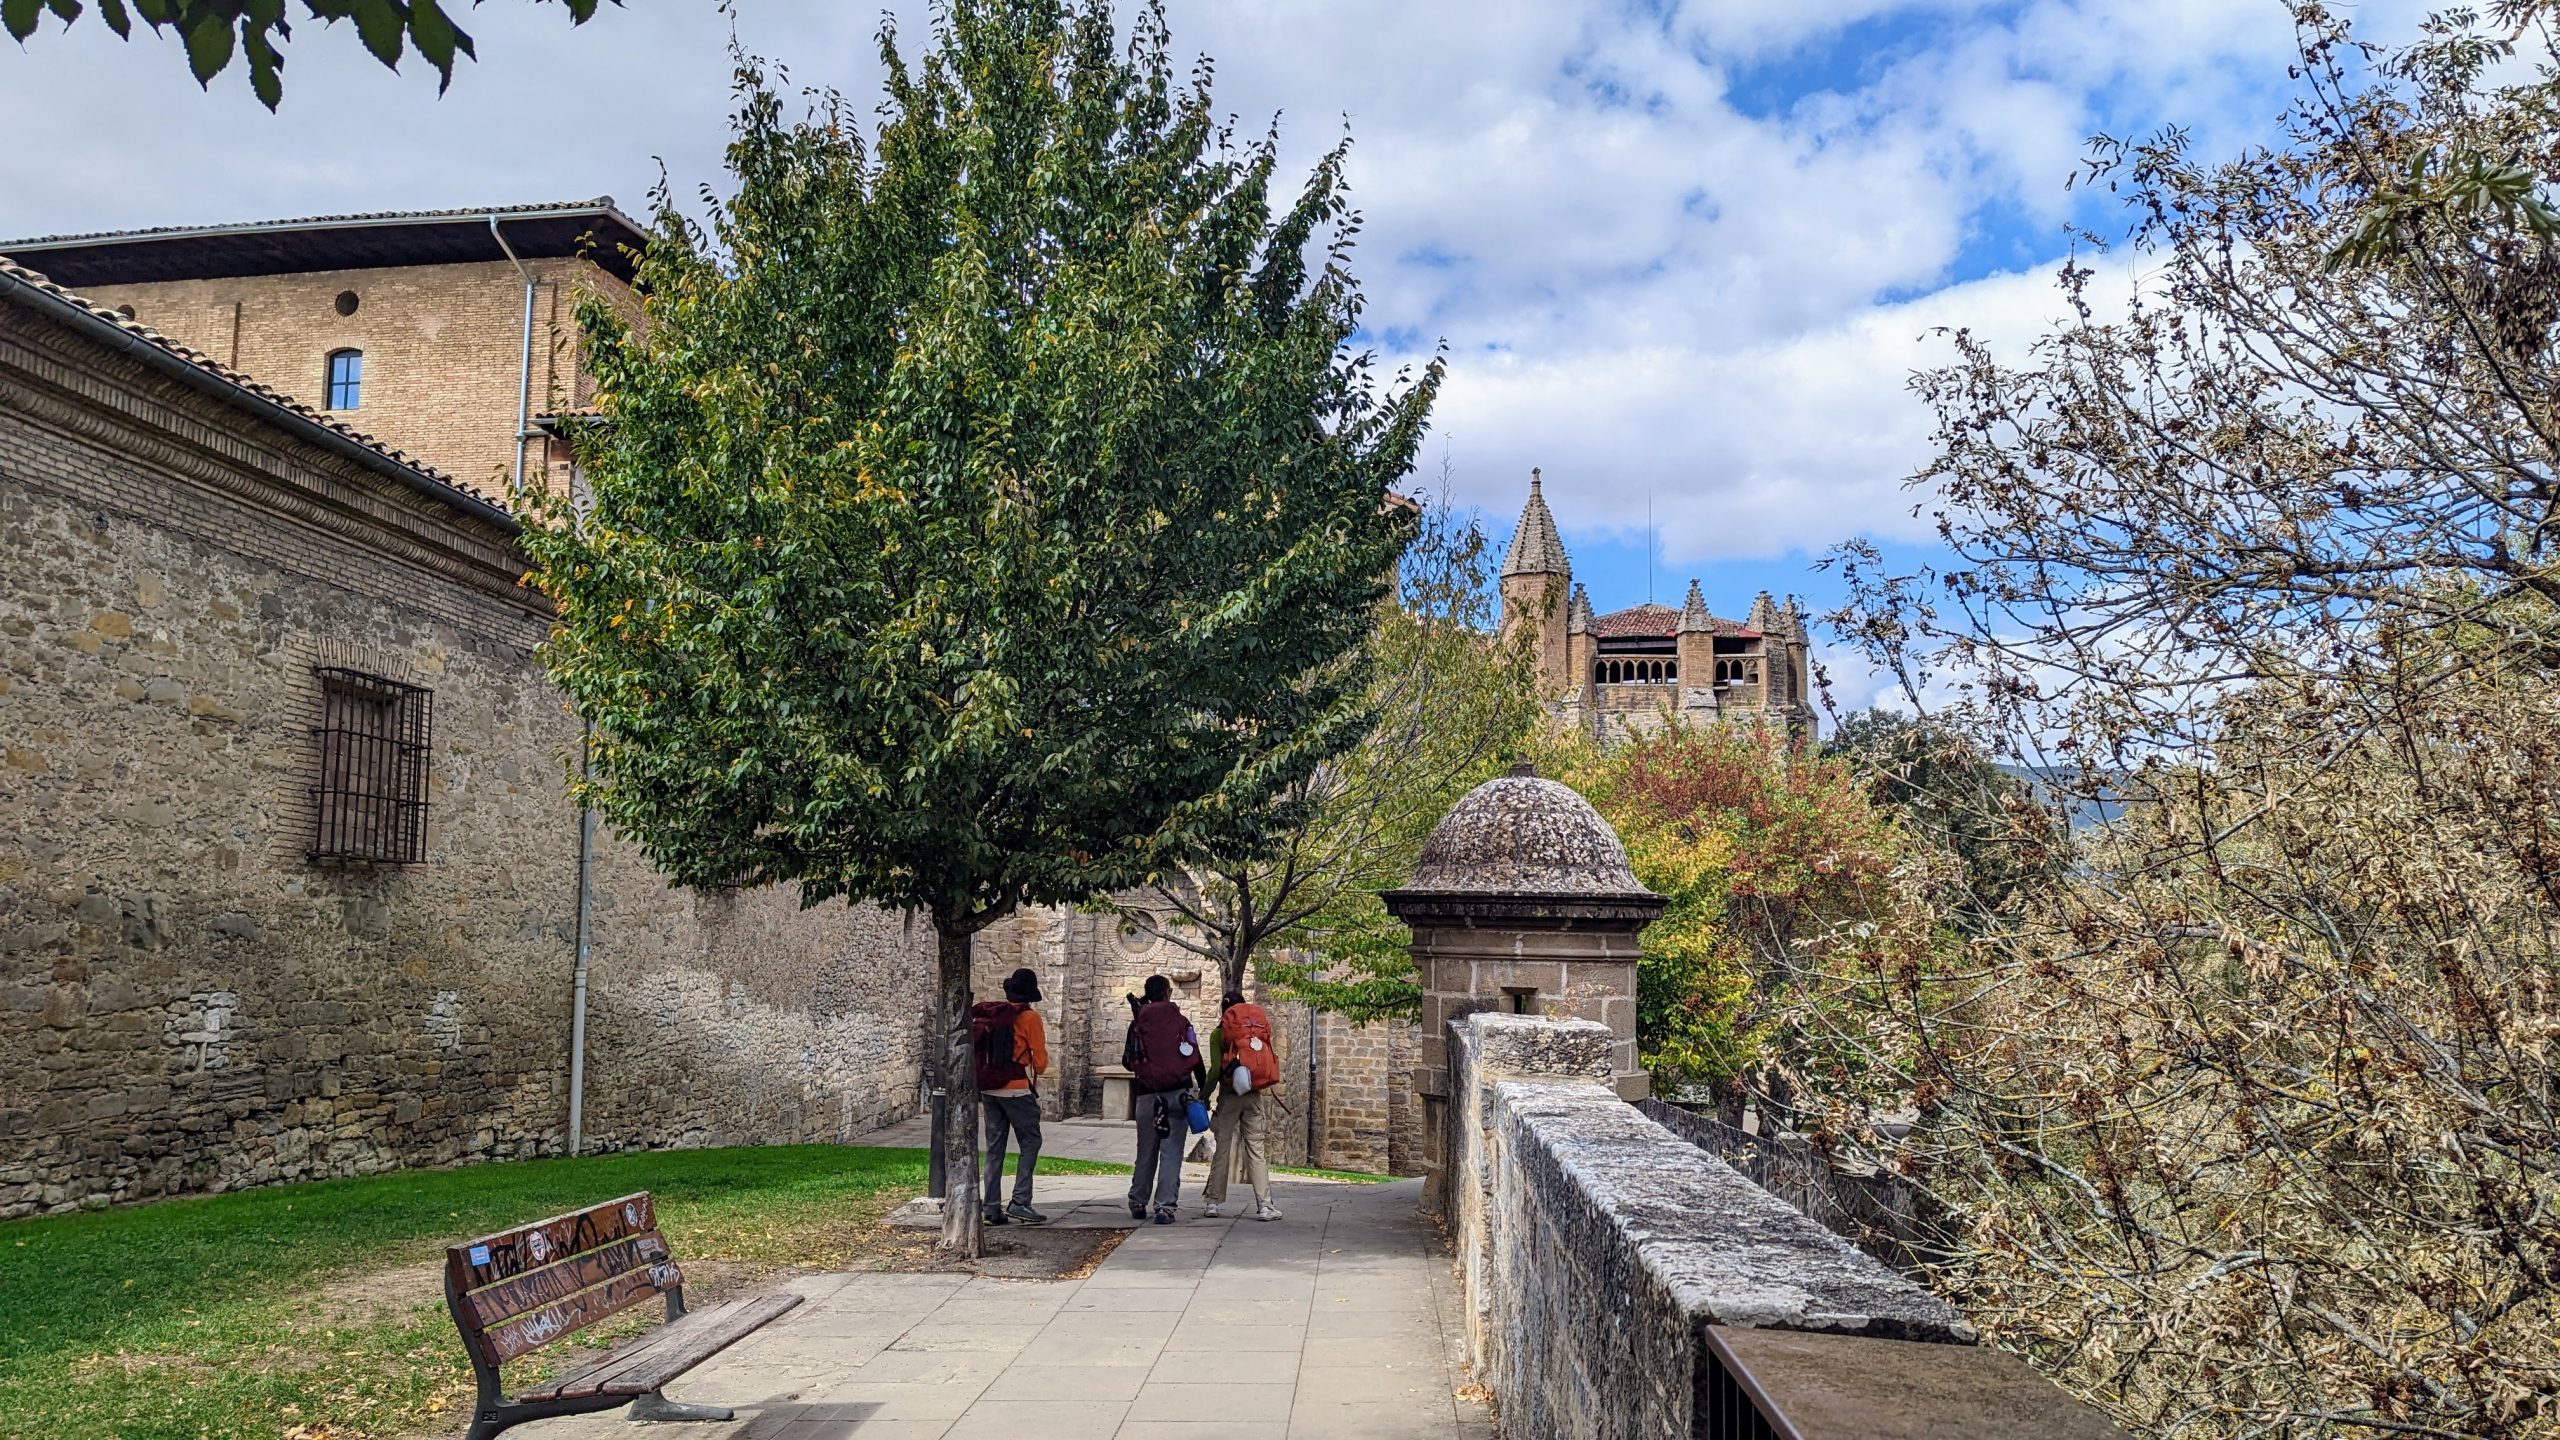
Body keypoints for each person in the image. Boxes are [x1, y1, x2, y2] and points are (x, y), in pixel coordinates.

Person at [1121, 974, 1206, 1224]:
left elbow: (1127, 1061)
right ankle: (1165, 1207)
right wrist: (1203, 1091)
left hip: (1147, 1094)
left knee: (1146, 1150)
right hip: (1178, 1094)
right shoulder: (1181, 1021)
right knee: (1171, 1152)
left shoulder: (1137, 1024)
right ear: (1168, 993)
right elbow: (1195, 1059)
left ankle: (1138, 1200)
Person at [971, 967, 1050, 1226]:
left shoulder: (994, 1016)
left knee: (995, 1147)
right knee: (1031, 1141)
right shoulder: (1030, 1018)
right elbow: (1040, 1062)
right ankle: (1020, 1201)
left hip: (989, 1088)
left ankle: (991, 1207)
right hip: (1015, 1088)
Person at [1203, 988, 1282, 1222]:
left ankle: (1213, 1202)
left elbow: (1215, 1070)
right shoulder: (1254, 1031)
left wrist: (1204, 1096)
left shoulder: (1218, 1035)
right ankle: (1265, 1205)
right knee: (1256, 1150)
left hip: (1229, 1096)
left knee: (1222, 1148)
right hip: (1253, 1095)